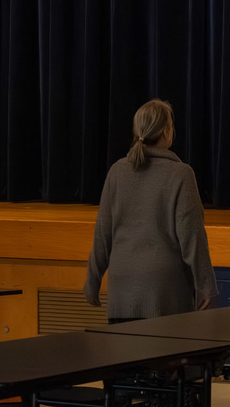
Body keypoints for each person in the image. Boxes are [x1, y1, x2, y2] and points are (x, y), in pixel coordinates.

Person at [84, 99, 218, 321]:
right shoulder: (181, 174)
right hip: (166, 293)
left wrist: (93, 281)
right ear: (167, 131)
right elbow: (192, 236)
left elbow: (102, 235)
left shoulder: (117, 171)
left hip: (121, 291)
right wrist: (205, 284)